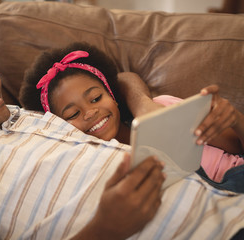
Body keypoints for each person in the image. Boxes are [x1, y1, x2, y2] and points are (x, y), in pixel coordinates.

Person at [0, 31, 244, 239]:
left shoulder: (24, 117)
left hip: (225, 203)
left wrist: (142, 104)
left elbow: (115, 80)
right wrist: (105, 230)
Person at [19, 42, 244, 187]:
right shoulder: (90, 165)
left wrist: (233, 118)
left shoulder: (161, 107)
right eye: (73, 113)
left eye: (96, 98)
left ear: (113, 95)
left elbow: (237, 146)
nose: (91, 112)